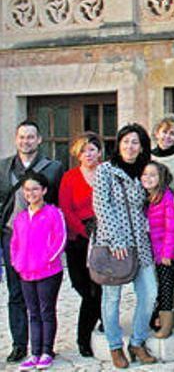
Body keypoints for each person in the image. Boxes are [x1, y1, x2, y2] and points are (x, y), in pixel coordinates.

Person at [92, 124, 158, 368]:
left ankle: (137, 342)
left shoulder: (146, 171)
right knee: (112, 298)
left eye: (135, 142)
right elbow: (101, 206)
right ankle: (115, 346)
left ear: (142, 148)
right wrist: (116, 240)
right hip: (114, 245)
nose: (130, 147)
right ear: (118, 144)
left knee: (149, 294)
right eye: (126, 141)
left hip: (141, 243)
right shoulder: (105, 171)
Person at [0, 121, 63, 364]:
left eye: (31, 137)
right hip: (11, 237)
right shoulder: (4, 167)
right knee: (16, 293)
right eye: (22, 137)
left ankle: (45, 346)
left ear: (39, 140)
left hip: (41, 243)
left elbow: (56, 205)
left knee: (43, 298)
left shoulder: (53, 168)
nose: (26, 141)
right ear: (16, 140)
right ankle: (19, 344)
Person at [10, 172, 66, 371]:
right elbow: (15, 243)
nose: (31, 193)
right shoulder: (21, 217)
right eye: (27, 190)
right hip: (26, 273)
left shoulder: (53, 213)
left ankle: (46, 351)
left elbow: (60, 240)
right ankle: (34, 353)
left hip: (48, 272)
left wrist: (46, 260)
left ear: (43, 190)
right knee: (32, 313)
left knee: (46, 311)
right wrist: (17, 263)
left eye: (35, 189)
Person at [57, 133, 102, 358]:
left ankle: (83, 339)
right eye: (84, 150)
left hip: (104, 238)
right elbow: (65, 209)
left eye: (92, 149)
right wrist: (86, 233)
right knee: (83, 287)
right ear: (78, 154)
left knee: (99, 288)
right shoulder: (69, 177)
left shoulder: (107, 173)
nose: (89, 154)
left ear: (99, 152)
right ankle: (102, 317)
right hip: (78, 239)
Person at [142, 161, 174, 340]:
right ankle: (166, 325)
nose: (148, 178)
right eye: (145, 174)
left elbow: (173, 227)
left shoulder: (167, 197)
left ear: (161, 179)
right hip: (159, 254)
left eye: (153, 175)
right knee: (164, 288)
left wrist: (167, 253)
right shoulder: (148, 199)